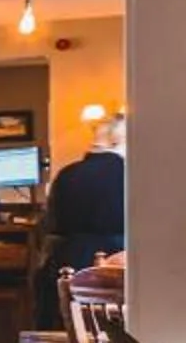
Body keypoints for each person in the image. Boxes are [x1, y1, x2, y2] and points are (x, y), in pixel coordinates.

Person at [40, 116, 126, 324]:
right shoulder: (130, 172)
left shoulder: (66, 174)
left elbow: (51, 225)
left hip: (68, 262)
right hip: (115, 264)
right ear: (117, 141)